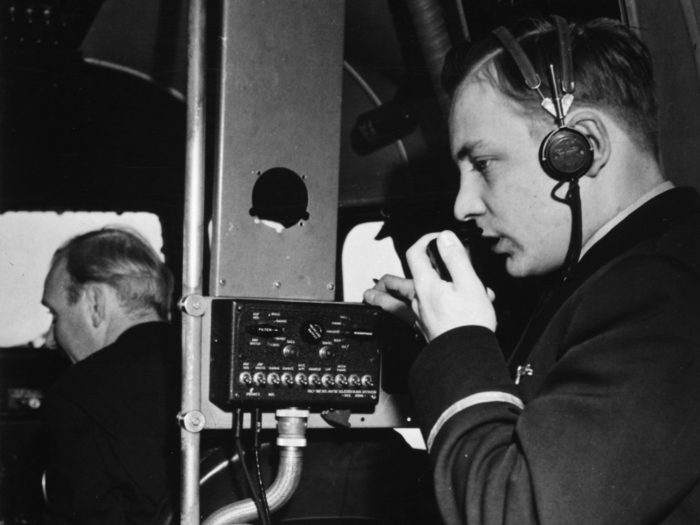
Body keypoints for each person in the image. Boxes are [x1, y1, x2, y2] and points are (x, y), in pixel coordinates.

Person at [364, 15, 700, 525]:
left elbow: (514, 511)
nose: (462, 207)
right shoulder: (610, 281)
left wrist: (460, 342)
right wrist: (435, 344)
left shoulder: (664, 291)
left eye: (482, 164)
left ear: (579, 149)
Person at [40, 227, 181, 525]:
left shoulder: (76, 395)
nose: (51, 339)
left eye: (56, 316)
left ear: (95, 302)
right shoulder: (213, 367)